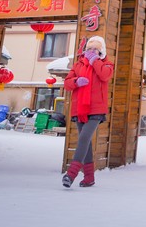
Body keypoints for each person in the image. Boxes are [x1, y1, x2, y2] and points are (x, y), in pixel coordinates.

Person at [61, 35, 115, 187]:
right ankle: (89, 178)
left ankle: (71, 174)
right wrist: (76, 82)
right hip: (80, 108)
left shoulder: (107, 64)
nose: (92, 51)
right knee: (87, 143)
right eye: (89, 49)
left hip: (96, 108)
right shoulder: (78, 65)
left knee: (84, 138)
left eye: (96, 49)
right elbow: (67, 84)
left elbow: (104, 76)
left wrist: (94, 62)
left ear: (101, 52)